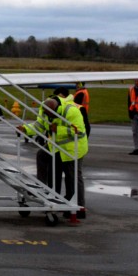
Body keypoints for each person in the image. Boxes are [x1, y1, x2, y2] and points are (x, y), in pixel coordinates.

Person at [49, 85, 88, 216]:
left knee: (74, 178)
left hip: (74, 149)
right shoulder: (54, 109)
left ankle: (78, 207)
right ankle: (62, 202)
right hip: (61, 149)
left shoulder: (74, 110)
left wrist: (58, 131)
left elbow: (81, 130)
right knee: (60, 175)